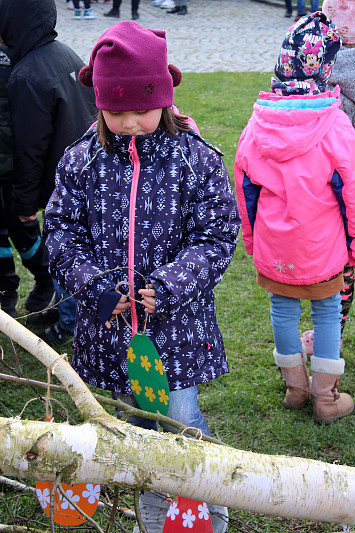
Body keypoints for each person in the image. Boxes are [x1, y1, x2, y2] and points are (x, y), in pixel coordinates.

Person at [43, 20, 239, 532]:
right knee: (129, 417)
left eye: (142, 110)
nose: (130, 121)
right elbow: (61, 229)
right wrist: (93, 287)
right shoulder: (81, 161)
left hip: (176, 331)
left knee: (179, 419)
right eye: (116, 109)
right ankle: (147, 500)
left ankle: (197, 503)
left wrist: (172, 285)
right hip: (108, 329)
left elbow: (219, 234)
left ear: (166, 99)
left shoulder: (196, 160)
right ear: (99, 103)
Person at [235, 12, 355, 424]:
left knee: (282, 309)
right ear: (327, 67)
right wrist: (353, 243)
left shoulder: (257, 123)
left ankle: (295, 390)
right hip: (323, 245)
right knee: (325, 311)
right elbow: (351, 192)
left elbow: (245, 192)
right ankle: (326, 398)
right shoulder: (336, 123)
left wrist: (253, 243)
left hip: (275, 245)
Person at [0, 0, 97, 343]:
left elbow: (30, 147)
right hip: (84, 171)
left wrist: (25, 203)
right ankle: (63, 304)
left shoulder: (26, 74)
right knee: (74, 248)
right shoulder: (65, 53)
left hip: (61, 182)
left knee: (65, 249)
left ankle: (69, 322)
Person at [300, 0, 355, 355]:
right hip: (343, 177)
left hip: (327, 181)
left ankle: (328, 333)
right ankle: (328, 336)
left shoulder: (316, 63)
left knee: (342, 264)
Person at [0, 38, 55, 318]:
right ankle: (5, 291)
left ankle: (46, 279)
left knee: (25, 231)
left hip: (15, 168)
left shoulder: (18, 50)